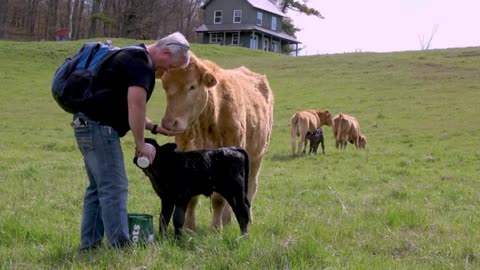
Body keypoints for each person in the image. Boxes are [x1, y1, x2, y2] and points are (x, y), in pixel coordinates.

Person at [71, 32, 190, 250]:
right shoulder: (142, 65)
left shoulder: (131, 54)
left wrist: (155, 128)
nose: (167, 72)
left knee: (98, 188)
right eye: (171, 66)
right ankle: (120, 248)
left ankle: (89, 246)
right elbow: (136, 106)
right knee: (115, 186)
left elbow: (122, 105)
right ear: (165, 52)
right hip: (100, 128)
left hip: (85, 125)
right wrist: (141, 144)